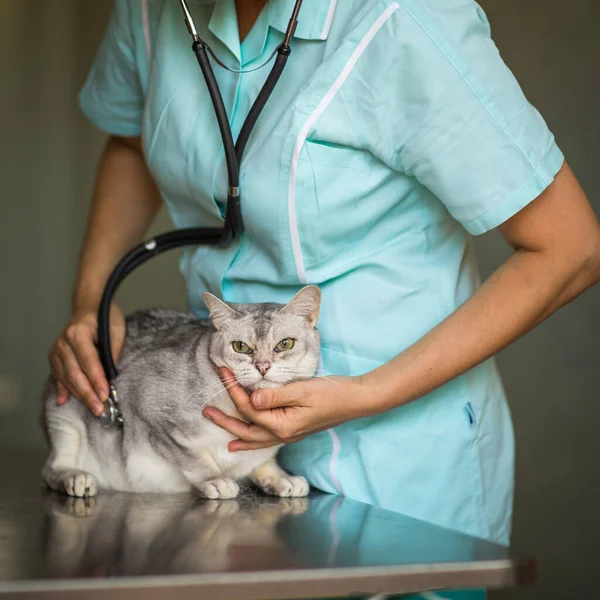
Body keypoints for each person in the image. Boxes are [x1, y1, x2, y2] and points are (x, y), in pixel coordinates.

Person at [49, 0, 600, 598]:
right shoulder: (150, 11)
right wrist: (90, 303)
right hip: (219, 449)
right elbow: (132, 144)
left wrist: (367, 393)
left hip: (392, 465)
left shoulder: (407, 18)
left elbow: (572, 249)